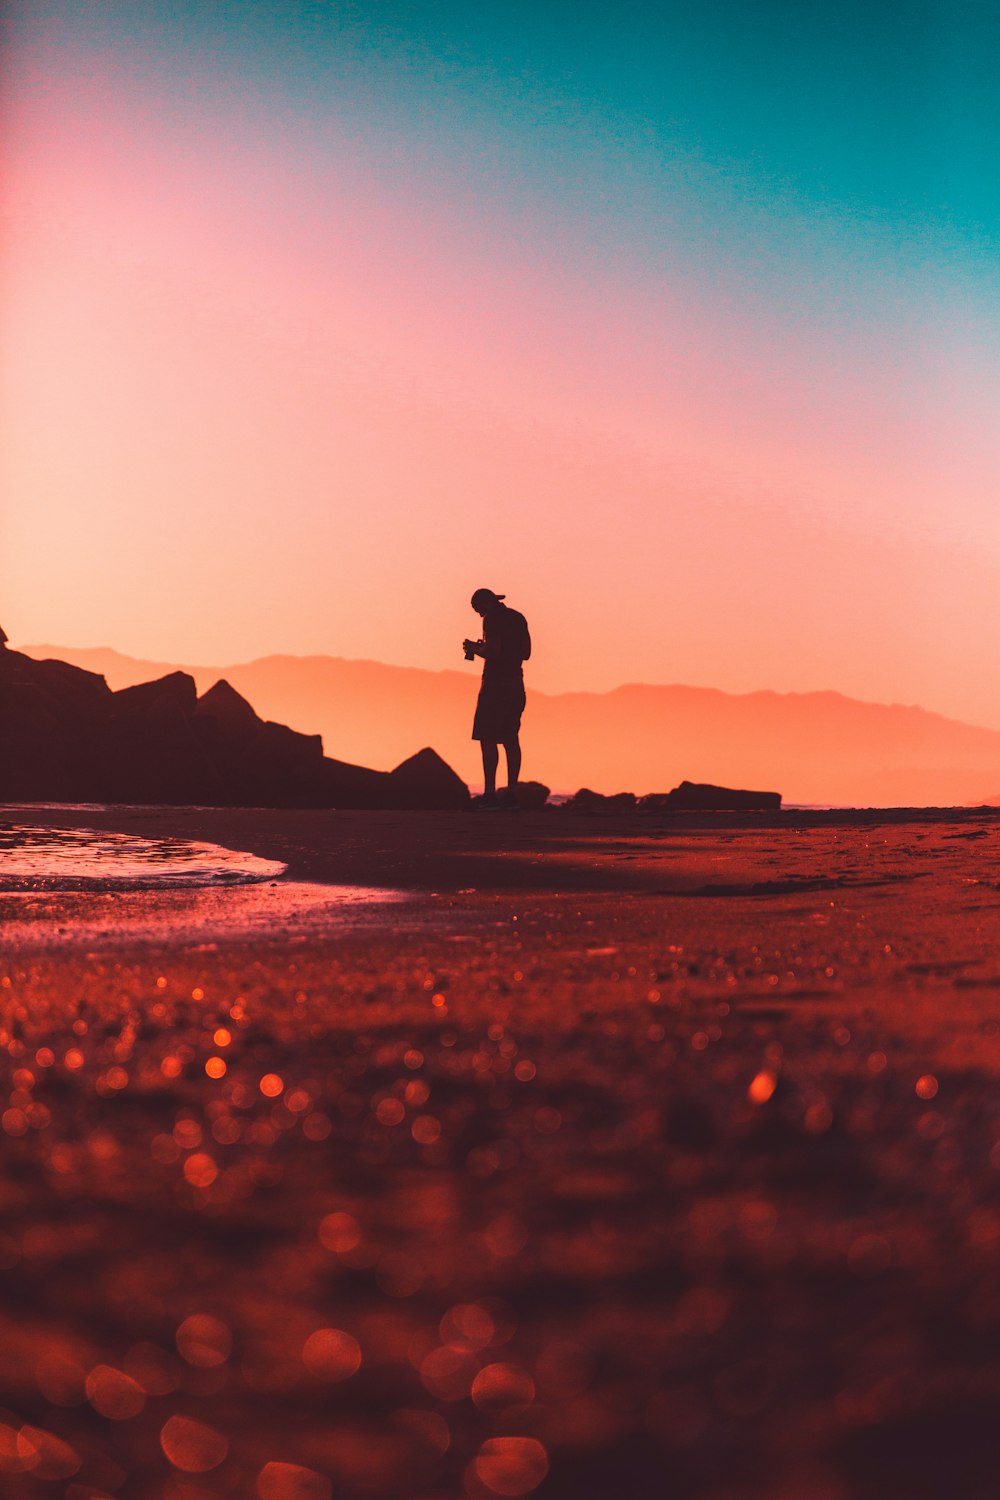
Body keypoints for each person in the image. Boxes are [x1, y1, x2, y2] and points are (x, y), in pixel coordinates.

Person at [463, 588, 531, 809]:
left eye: (477, 609)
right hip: (515, 683)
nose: (478, 614)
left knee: (487, 738)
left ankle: (490, 794)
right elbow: (526, 653)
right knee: (511, 738)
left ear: (484, 604)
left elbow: (493, 652)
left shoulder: (492, 619)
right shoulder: (518, 617)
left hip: (494, 685)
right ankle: (512, 793)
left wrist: (475, 648)